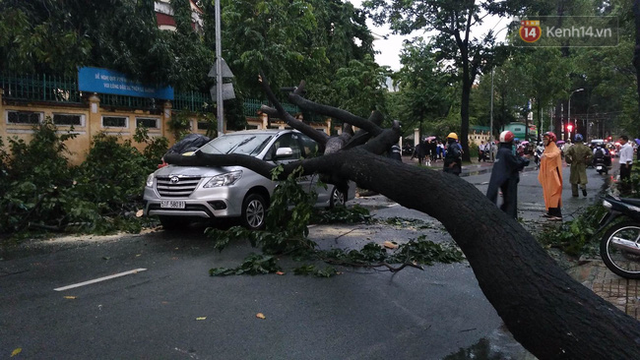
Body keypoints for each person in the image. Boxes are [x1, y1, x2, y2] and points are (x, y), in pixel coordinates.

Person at [486, 131, 530, 219]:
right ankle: (509, 218)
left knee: (507, 200)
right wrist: (524, 160)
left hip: (504, 180)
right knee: (510, 201)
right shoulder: (507, 152)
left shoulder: (501, 151)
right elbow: (515, 163)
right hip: (509, 180)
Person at [538, 131, 563, 221]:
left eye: (546, 139)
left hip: (553, 175)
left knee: (554, 193)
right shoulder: (547, 148)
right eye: (543, 139)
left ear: (551, 140)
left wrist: (546, 156)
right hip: (548, 176)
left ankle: (557, 214)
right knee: (548, 193)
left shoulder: (553, 148)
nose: (544, 141)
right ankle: (551, 212)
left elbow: (556, 153)